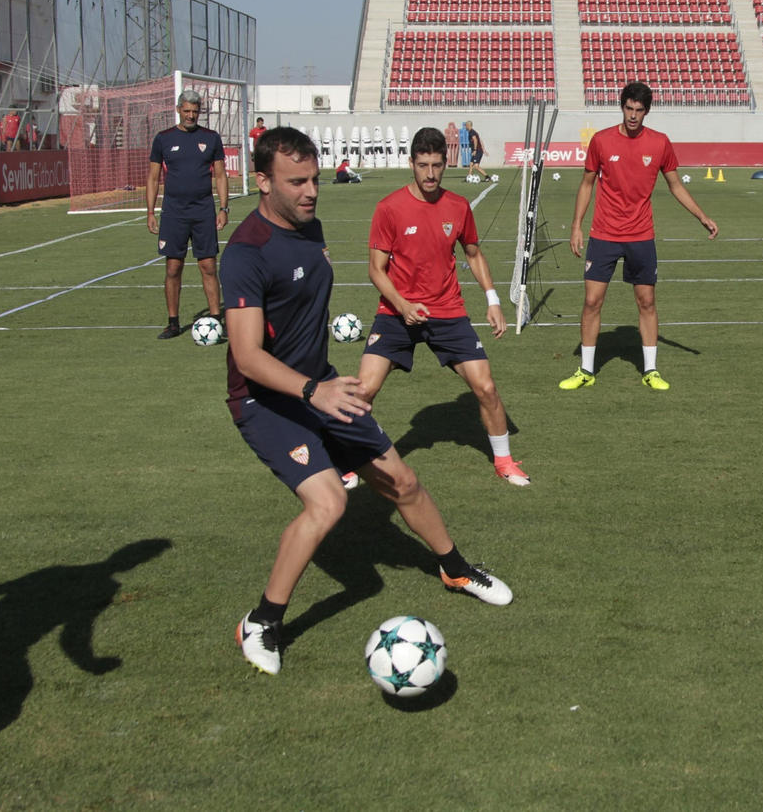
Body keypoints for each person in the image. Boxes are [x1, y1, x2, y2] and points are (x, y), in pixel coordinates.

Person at [224, 127, 512, 677]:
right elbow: (245, 355)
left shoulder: (311, 229)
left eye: (314, 178)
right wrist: (314, 390)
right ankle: (260, 621)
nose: (311, 191)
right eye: (296, 182)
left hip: (323, 389)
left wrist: (324, 384)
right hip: (268, 402)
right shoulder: (245, 253)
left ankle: (456, 570)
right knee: (330, 502)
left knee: (402, 481)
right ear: (262, 182)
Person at [360, 128, 527, 487]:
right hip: (396, 311)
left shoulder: (458, 206)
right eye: (423, 166)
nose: (430, 174)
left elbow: (473, 253)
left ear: (446, 163)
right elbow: (376, 270)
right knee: (363, 392)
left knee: (485, 388)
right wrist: (403, 304)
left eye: (437, 165)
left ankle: (504, 461)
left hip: (447, 310)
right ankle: (350, 461)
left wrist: (493, 300)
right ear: (411, 164)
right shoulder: (388, 208)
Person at [561, 81, 717, 391]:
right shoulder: (602, 141)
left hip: (641, 235)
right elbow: (587, 184)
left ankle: (651, 370)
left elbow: (675, 185)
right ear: (622, 107)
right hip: (603, 234)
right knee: (592, 301)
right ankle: (586, 371)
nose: (633, 116)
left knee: (646, 301)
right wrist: (576, 225)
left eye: (639, 110)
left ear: (646, 111)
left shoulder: (659, 143)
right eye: (629, 109)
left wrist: (702, 216)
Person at [146, 90, 230, 339]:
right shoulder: (163, 139)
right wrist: (150, 211)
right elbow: (152, 178)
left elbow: (221, 175)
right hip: (173, 212)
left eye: (195, 111)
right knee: (173, 267)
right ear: (178, 109)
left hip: (203, 211)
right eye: (187, 111)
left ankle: (216, 320)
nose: (191, 115)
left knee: (208, 267)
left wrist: (224, 208)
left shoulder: (211, 138)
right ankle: (173, 323)